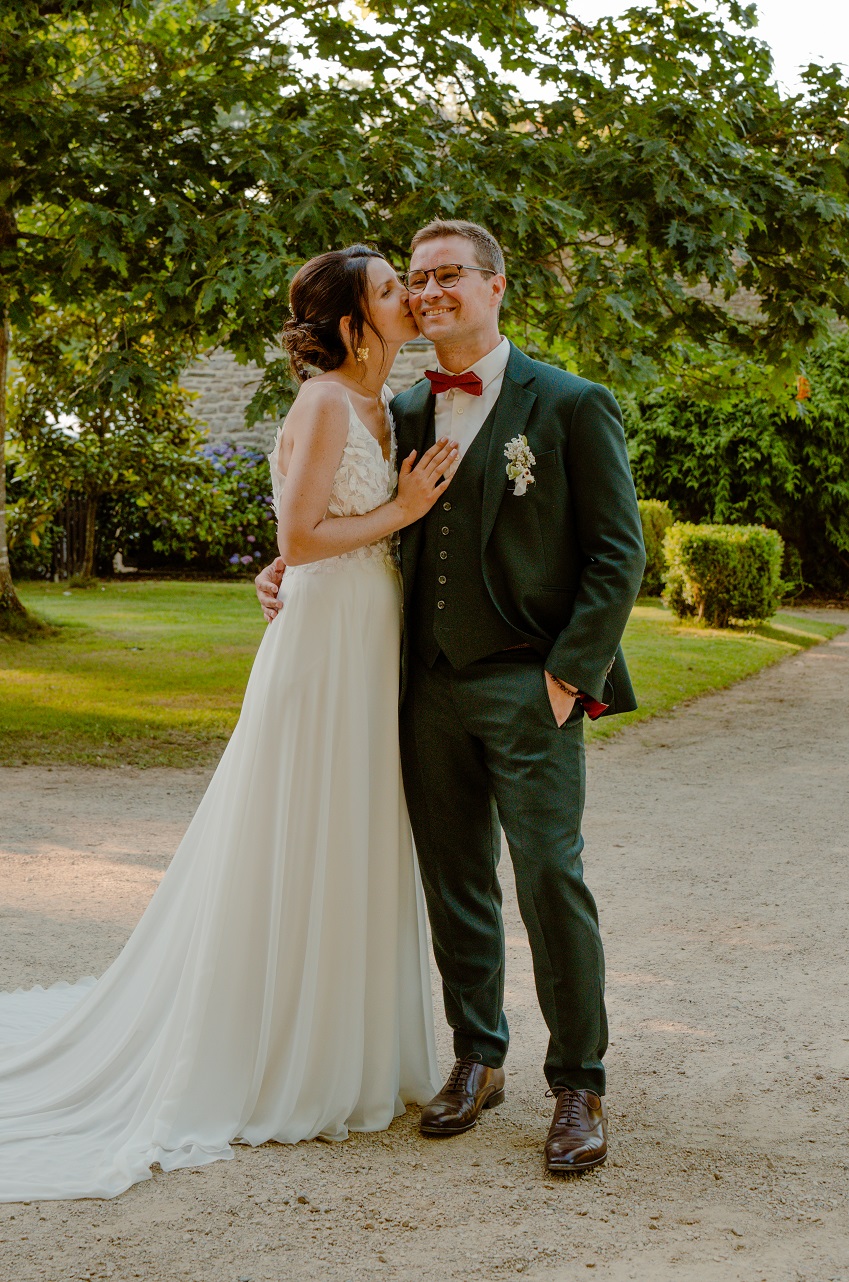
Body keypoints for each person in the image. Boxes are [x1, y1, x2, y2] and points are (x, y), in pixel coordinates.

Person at [0, 244, 459, 1202]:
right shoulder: (325, 402)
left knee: (358, 828)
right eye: (390, 290)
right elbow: (299, 538)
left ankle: (348, 1047)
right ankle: (278, 1055)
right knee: (304, 826)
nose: (410, 299)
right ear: (352, 325)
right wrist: (405, 509)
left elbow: (310, 540)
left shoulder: (389, 402)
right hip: (325, 643)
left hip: (369, 631)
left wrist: (378, 529)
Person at [257, 220, 646, 1173]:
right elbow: (359, 521)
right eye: (415, 279)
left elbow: (617, 553)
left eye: (446, 276)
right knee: (454, 882)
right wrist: (285, 568)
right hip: (422, 685)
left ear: (495, 285)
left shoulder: (570, 403)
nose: (428, 292)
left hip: (530, 682)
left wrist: (569, 674)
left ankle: (578, 1083)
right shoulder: (402, 408)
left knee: (550, 880)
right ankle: (478, 1058)